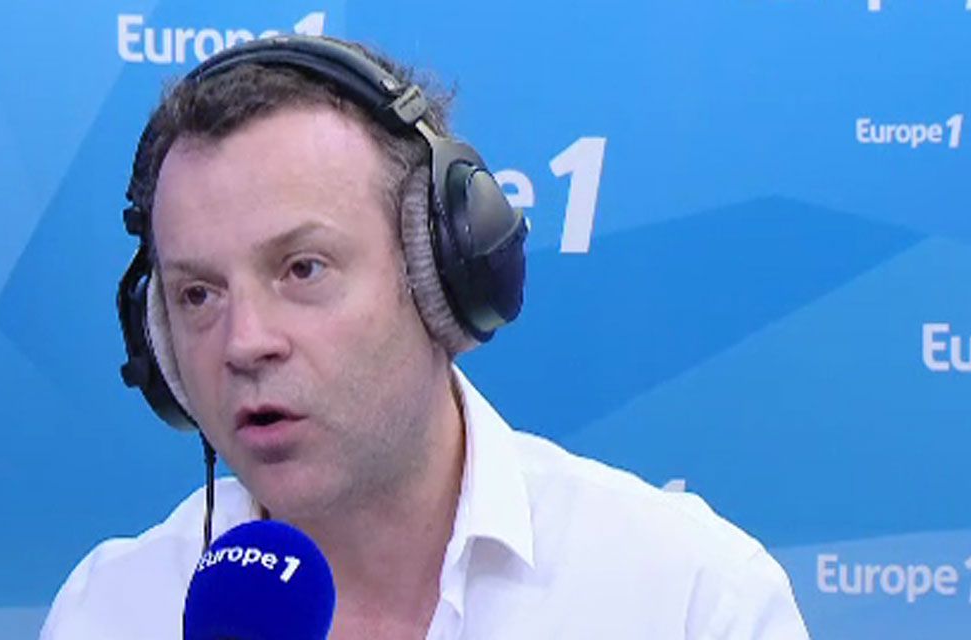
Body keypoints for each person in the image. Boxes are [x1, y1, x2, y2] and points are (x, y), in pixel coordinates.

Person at [41, 35, 809, 639]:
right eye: (198, 294)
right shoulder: (110, 612)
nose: (244, 343)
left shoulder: (689, 599)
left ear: (443, 276)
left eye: (303, 269)